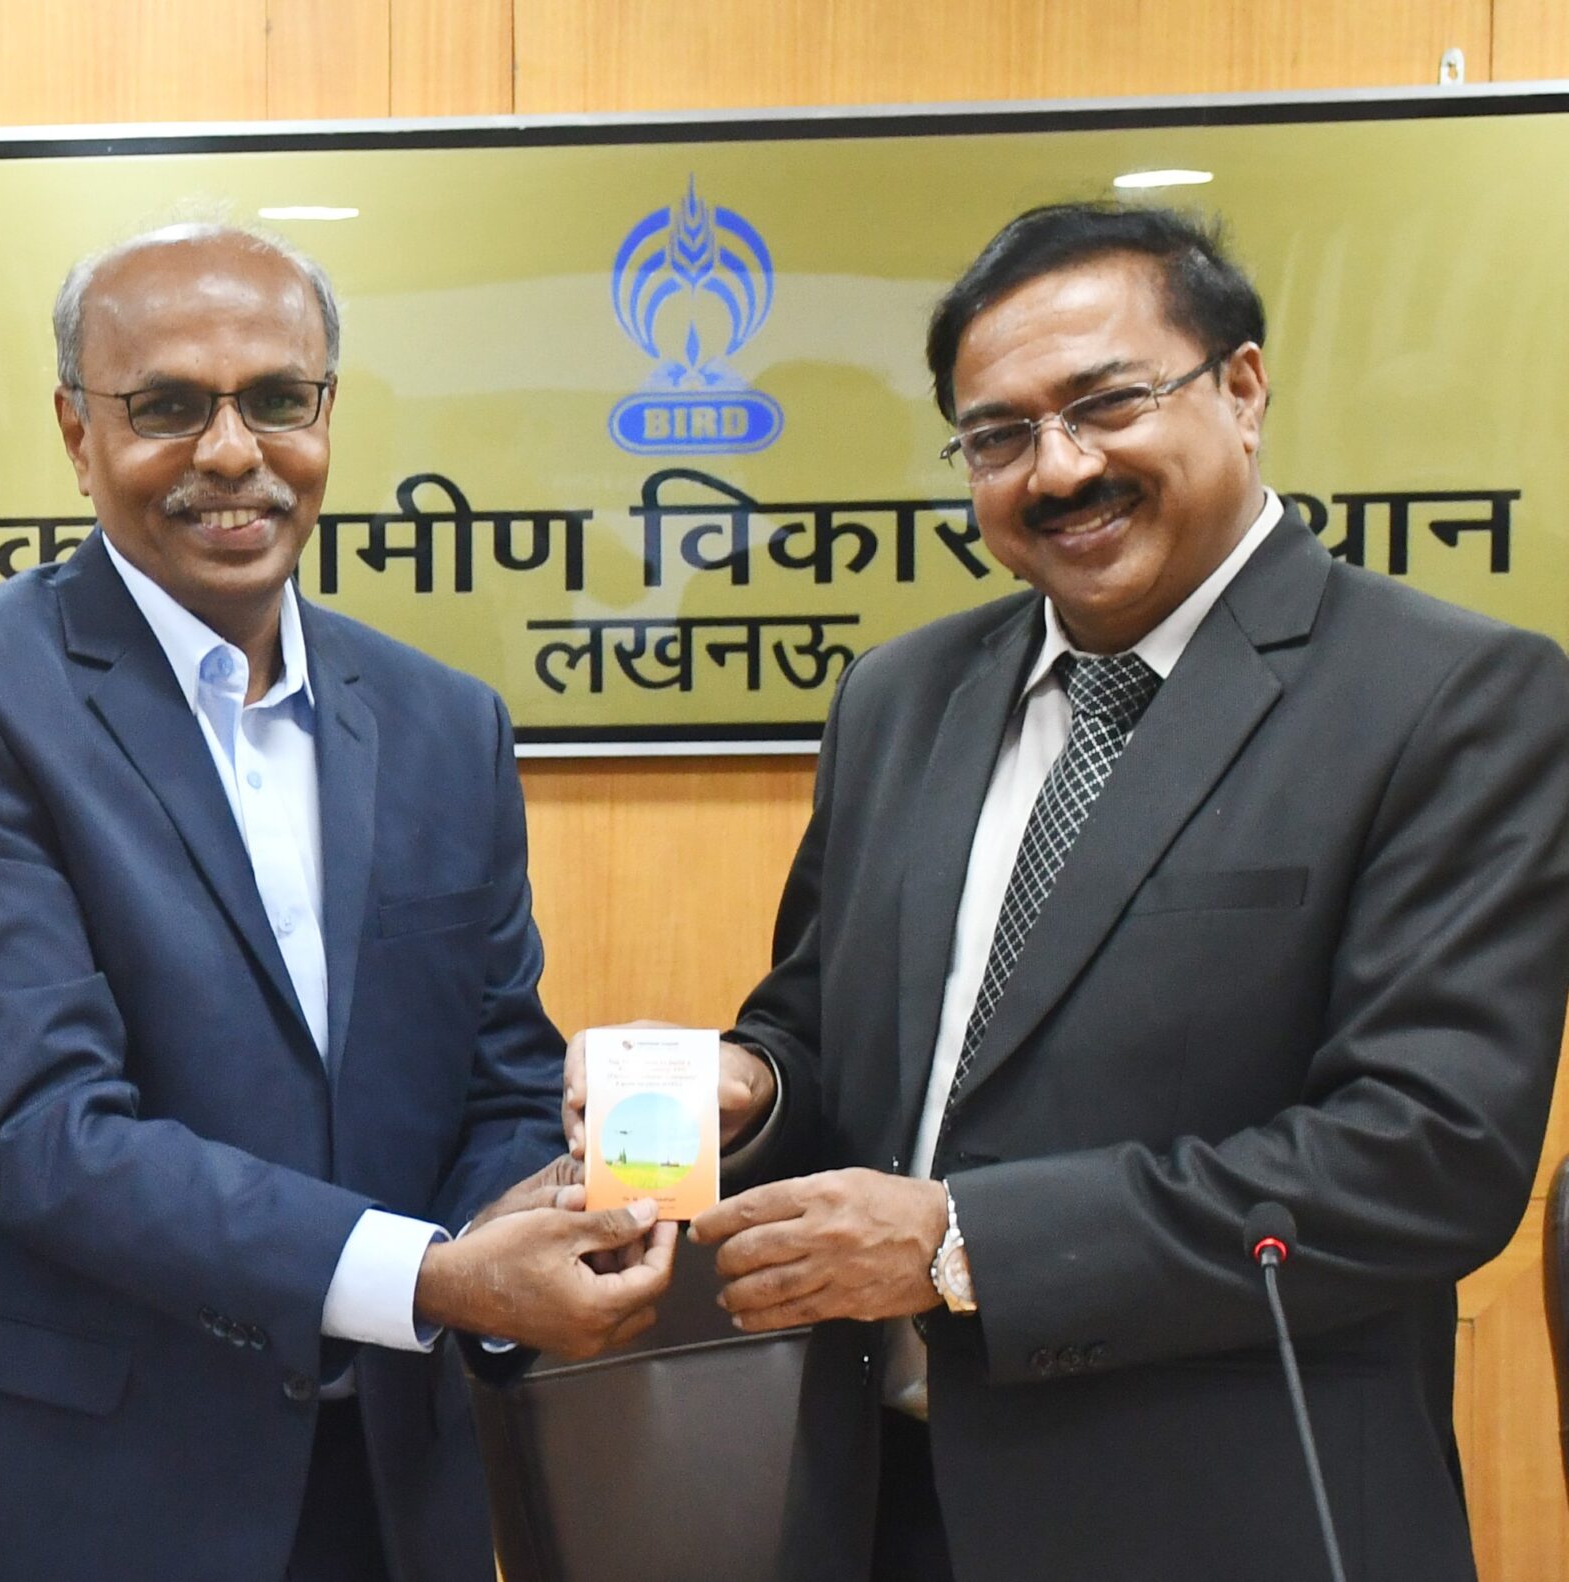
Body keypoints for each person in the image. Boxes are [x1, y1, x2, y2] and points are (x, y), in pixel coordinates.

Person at [642, 204, 1569, 1579]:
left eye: (1106, 404)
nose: (1059, 469)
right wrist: (750, 1087)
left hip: (1227, 1524)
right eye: (998, 435)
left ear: (1240, 390)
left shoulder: (1451, 698)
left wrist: (966, 1246)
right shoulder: (902, 697)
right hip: (879, 1510)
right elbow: (823, 1028)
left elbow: (1424, 1155)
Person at [0, 223, 677, 1582]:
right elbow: (39, 1128)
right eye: (168, 405)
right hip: (68, 1506)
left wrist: (520, 1254)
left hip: (388, 1497)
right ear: (75, 428)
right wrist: (429, 1277)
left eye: (280, 399)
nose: (235, 451)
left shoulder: (444, 720)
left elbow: (500, 1074)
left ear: (327, 411)